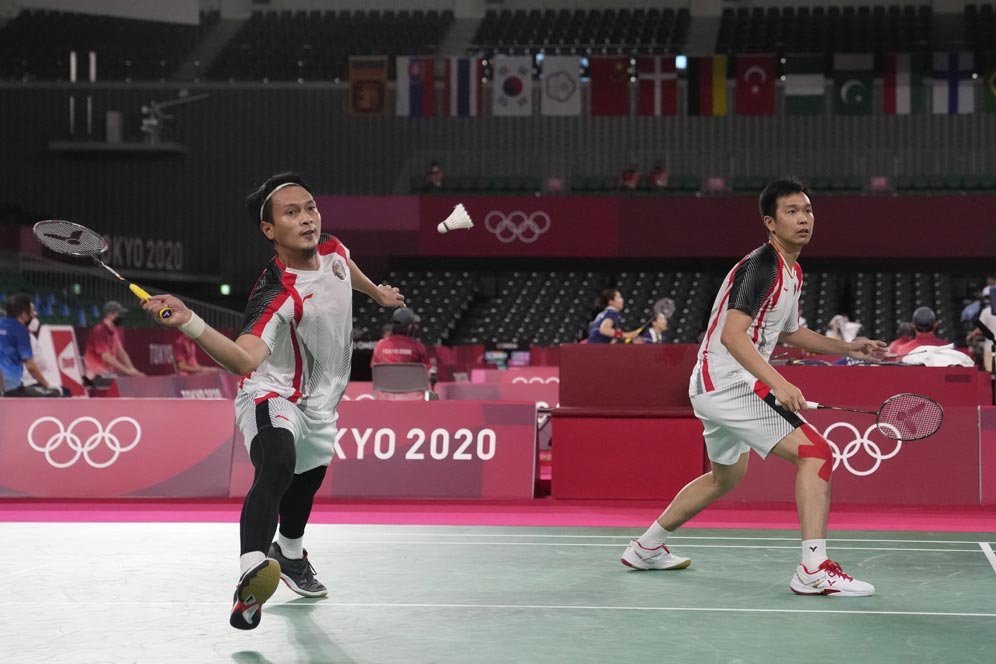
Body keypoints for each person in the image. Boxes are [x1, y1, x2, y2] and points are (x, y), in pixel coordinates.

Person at [140, 172, 404, 630]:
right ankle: (250, 571)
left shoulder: (334, 250)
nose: (307, 219)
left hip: (322, 402)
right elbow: (244, 359)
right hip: (272, 390)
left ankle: (291, 554)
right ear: (269, 230)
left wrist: (377, 293)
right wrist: (190, 322)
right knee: (278, 462)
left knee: (307, 480)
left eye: (311, 208)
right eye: (292, 213)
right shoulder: (277, 294)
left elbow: (346, 269)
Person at [620, 177, 886, 597]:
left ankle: (646, 547)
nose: (803, 219)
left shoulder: (792, 270)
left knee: (725, 478)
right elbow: (733, 335)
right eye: (792, 212)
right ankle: (814, 569)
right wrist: (778, 382)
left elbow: (791, 332)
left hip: (718, 383)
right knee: (817, 454)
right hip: (725, 382)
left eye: (808, 210)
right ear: (770, 222)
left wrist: (848, 346)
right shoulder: (760, 266)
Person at [0, 293, 59, 397]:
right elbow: (31, 367)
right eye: (31, 313)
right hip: (12, 390)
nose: (33, 316)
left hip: (5, 387)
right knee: (54, 394)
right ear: (23, 315)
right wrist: (48, 385)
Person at [83, 301, 143, 380]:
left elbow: (121, 352)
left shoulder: (114, 331)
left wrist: (132, 369)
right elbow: (106, 357)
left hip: (107, 372)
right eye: (119, 314)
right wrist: (127, 370)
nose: (121, 317)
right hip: (94, 373)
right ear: (110, 315)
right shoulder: (99, 330)